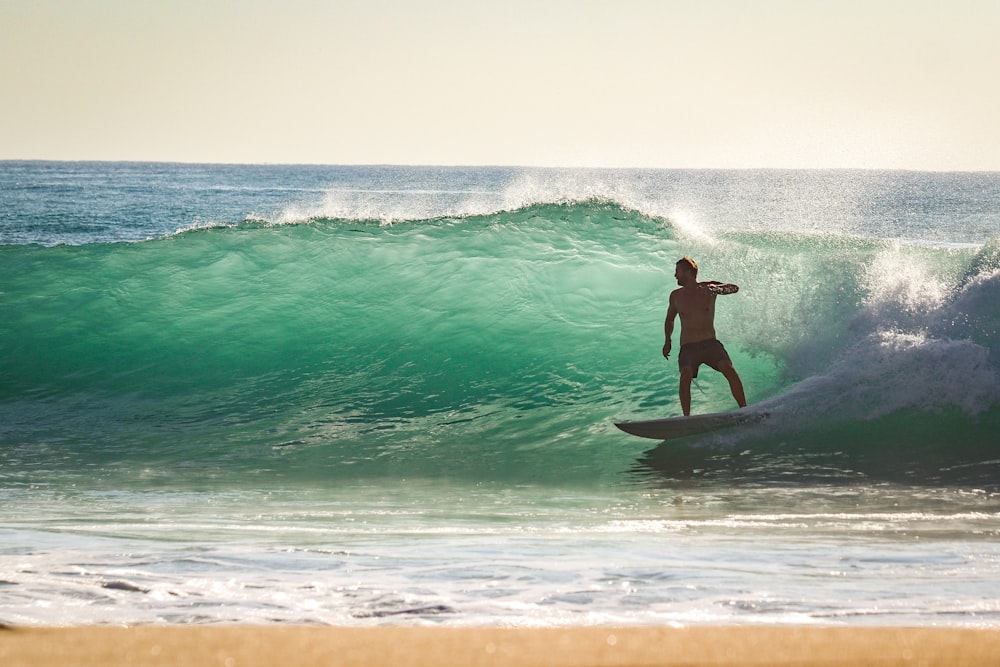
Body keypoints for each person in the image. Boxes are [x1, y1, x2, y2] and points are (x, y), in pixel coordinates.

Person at [662, 256, 747, 416]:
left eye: (677, 271)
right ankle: (687, 418)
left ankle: (744, 409)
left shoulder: (709, 288)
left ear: (687, 272)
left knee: (728, 369)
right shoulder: (675, 296)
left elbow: (734, 288)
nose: (675, 275)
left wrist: (717, 289)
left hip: (710, 344)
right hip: (688, 347)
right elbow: (669, 319)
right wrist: (668, 341)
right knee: (685, 375)